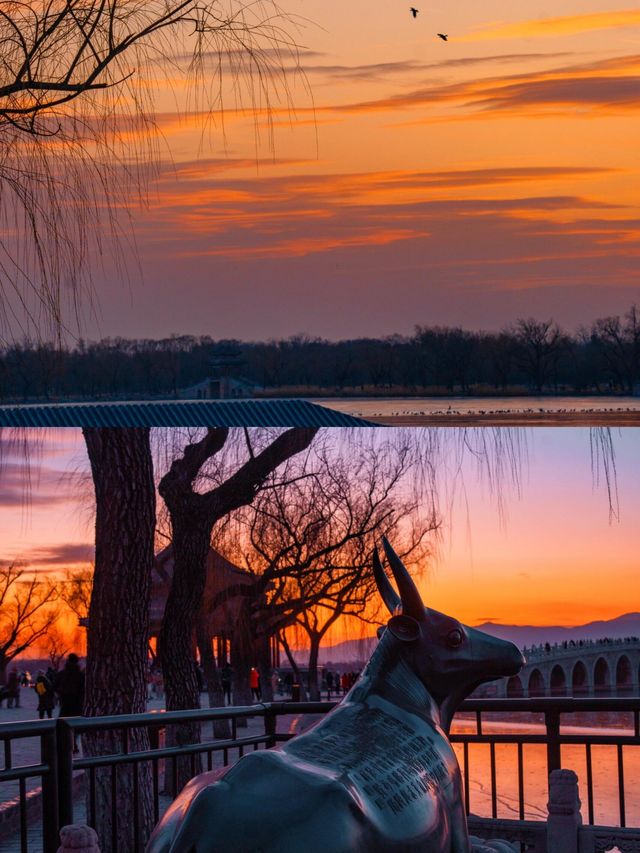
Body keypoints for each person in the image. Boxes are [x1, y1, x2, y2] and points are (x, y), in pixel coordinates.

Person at [55, 653, 85, 753]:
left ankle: (65, 745)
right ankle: (73, 745)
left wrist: (61, 693)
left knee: (64, 725)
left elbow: (54, 686)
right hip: (77, 703)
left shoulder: (61, 674)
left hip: (64, 703)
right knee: (75, 726)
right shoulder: (80, 675)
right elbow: (83, 689)